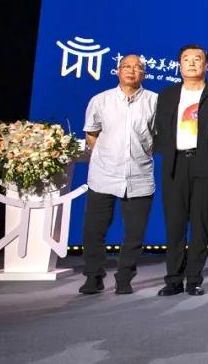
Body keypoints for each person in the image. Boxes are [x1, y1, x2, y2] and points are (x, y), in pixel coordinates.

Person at [154, 44, 208, 297]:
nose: (191, 63)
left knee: (201, 225)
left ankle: (194, 280)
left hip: (206, 164)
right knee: (175, 225)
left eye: (197, 59)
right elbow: (159, 129)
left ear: (206, 65)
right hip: (175, 164)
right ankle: (173, 280)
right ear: (179, 65)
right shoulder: (167, 94)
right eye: (186, 59)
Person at [78, 55, 157, 295]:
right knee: (94, 231)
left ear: (144, 74)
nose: (131, 71)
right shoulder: (100, 100)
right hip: (103, 174)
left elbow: (158, 135)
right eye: (126, 67)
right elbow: (92, 133)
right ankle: (94, 277)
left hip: (139, 174)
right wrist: (105, 155)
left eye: (137, 67)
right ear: (118, 71)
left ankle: (124, 278)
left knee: (134, 233)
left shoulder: (154, 101)